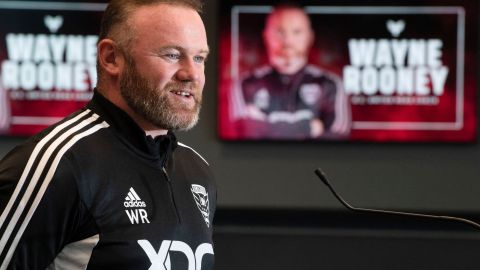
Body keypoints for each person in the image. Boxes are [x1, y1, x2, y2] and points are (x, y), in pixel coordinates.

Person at [0, 0, 215, 269]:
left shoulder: (196, 170)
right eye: (172, 55)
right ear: (111, 57)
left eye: (199, 58)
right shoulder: (59, 164)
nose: (191, 74)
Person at [240, 4, 351, 140]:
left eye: (296, 32)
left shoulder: (330, 83)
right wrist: (308, 127)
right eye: (280, 31)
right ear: (266, 35)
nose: (288, 40)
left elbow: (337, 135)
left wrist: (267, 127)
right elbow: (242, 130)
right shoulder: (245, 84)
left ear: (309, 37)